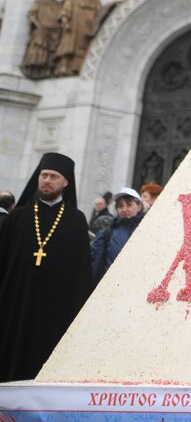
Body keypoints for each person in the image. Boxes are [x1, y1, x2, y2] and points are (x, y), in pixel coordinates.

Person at [0, 152, 92, 382]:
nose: (47, 180)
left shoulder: (76, 220)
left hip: (55, 308)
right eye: (44, 175)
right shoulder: (16, 218)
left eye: (53, 176)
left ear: (66, 182)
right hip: (15, 305)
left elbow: (80, 270)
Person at [90, 187, 144, 285]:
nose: (124, 209)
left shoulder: (146, 230)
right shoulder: (107, 233)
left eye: (129, 205)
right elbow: (95, 264)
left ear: (139, 207)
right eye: (120, 206)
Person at [54, 0, 101, 76]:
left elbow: (100, 15)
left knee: (83, 49)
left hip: (88, 30)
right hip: (74, 27)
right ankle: (64, 68)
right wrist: (65, 22)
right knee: (69, 46)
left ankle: (78, 68)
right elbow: (65, 12)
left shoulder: (96, 1)